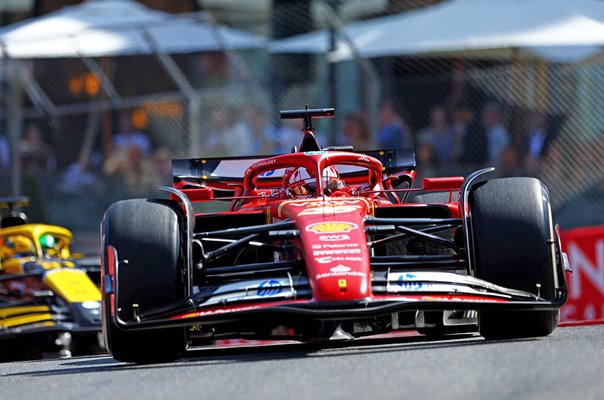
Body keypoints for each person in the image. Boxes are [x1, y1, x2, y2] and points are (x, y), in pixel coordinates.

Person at [481, 101, 511, 167]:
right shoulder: (485, 131)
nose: (485, 118)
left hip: (496, 164)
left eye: (488, 115)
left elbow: (504, 152)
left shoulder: (501, 132)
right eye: (485, 115)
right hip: (486, 163)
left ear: (495, 116)